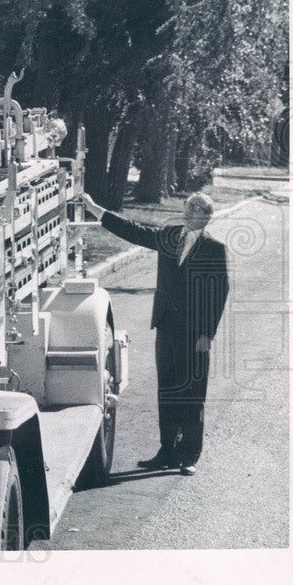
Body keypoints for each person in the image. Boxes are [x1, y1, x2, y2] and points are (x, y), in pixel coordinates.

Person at [81, 192, 229, 476]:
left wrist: (207, 334)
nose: (189, 211)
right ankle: (167, 450)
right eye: (188, 206)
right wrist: (97, 210)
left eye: (197, 208)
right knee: (168, 389)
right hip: (167, 327)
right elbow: (136, 232)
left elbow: (219, 294)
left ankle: (188, 455)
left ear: (207, 217)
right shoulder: (171, 236)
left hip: (195, 334)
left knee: (191, 393)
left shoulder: (214, 248)